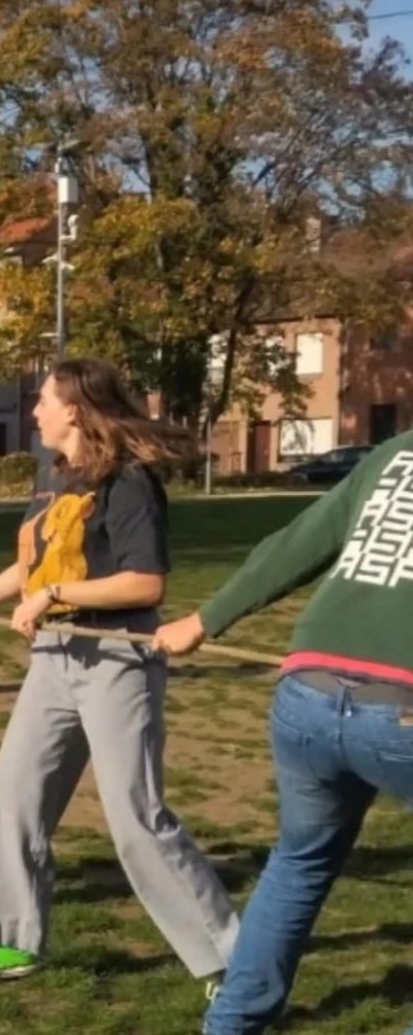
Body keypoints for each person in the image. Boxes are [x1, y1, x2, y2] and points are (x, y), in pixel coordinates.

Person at [0, 358, 237, 990]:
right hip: (54, 659)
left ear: (76, 410)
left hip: (115, 655)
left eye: (43, 399)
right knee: (15, 796)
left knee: (136, 816)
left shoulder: (130, 482)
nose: (33, 409)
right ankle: (8, 942)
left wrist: (55, 593)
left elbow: (145, 581)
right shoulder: (54, 477)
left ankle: (231, 961)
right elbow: (29, 568)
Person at [152, 429, 413, 1035]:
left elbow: (298, 542)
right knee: (302, 859)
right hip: (401, 709)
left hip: (308, 692)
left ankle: (232, 1023)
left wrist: (204, 619)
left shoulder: (397, 451)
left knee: (299, 861)